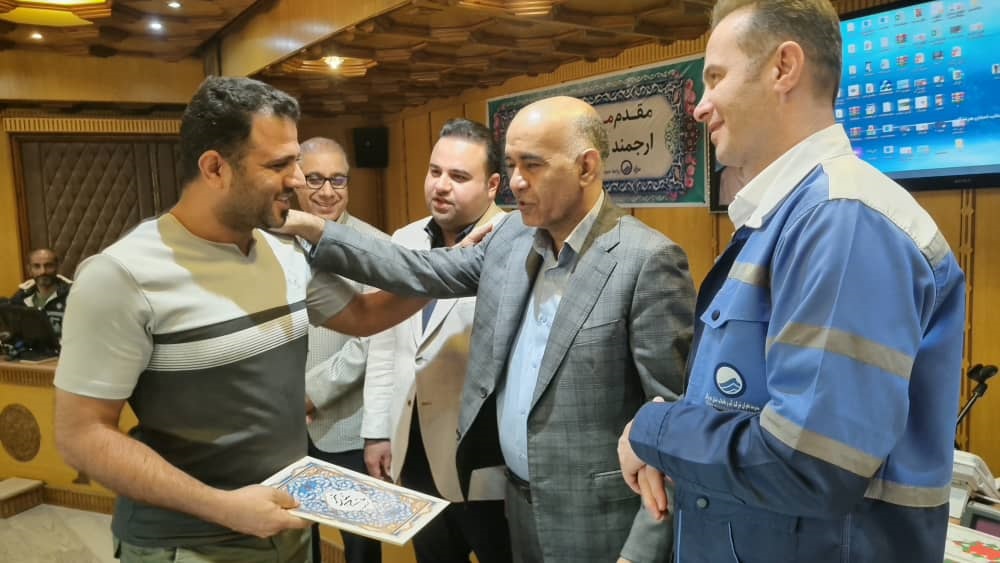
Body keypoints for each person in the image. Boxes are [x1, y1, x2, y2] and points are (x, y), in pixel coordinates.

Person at [618, 1, 966, 562]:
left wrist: (654, 430)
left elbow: (810, 464)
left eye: (715, 77)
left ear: (784, 67)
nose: (701, 106)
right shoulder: (794, 217)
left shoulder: (842, 220)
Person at [280, 96, 695, 563]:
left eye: (532, 165)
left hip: (597, 521)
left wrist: (641, 553)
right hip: (517, 507)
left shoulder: (647, 261)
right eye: (512, 164)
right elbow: (417, 270)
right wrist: (307, 227)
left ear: (586, 167)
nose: (516, 181)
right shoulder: (512, 237)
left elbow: (674, 422)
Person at [52, 76, 427, 563]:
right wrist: (224, 508)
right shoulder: (120, 276)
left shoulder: (283, 250)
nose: (298, 180)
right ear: (215, 168)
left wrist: (456, 269)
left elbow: (364, 315)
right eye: (279, 165)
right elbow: (81, 436)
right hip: (187, 544)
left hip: (286, 526)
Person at [362, 118, 511, 563]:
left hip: (484, 458)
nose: (441, 186)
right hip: (413, 450)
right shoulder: (404, 240)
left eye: (459, 176)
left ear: (492, 185)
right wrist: (376, 432)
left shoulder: (514, 244)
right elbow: (385, 345)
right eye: (434, 171)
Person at [295, 137, 387, 563]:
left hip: (349, 427)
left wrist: (311, 392)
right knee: (295, 542)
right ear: (294, 181)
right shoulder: (267, 245)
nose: (327, 191)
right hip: (284, 428)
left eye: (338, 180)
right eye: (314, 179)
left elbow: (377, 336)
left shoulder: (375, 246)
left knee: (361, 549)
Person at [10, 247, 72, 337]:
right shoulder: (19, 299)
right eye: (36, 266)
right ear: (29, 270)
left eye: (48, 266)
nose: (43, 271)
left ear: (57, 267)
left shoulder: (73, 296)